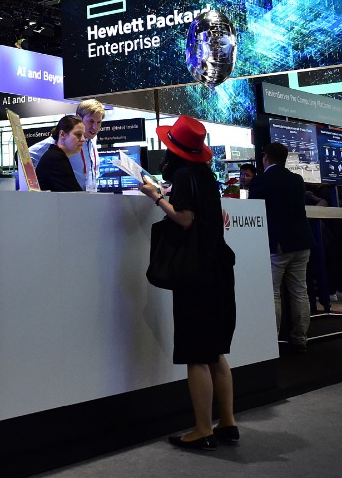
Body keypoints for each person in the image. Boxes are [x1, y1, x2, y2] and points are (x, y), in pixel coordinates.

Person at [138, 115, 237, 451]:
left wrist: (155, 197)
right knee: (215, 351)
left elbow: (184, 218)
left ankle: (202, 430)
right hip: (218, 267)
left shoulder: (182, 176)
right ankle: (227, 422)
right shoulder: (206, 176)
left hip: (195, 274)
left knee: (196, 354)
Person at [249, 142, 314, 352]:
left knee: (273, 292)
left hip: (278, 244)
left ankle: (272, 340)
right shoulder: (297, 180)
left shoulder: (261, 181)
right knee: (300, 291)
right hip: (301, 241)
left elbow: (253, 210)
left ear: (266, 157)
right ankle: (300, 339)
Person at [28, 99, 105, 191]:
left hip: (89, 195)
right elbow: (27, 155)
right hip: (69, 195)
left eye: (98, 122)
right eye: (91, 121)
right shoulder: (60, 140)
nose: (95, 127)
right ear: (79, 118)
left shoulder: (92, 139)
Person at [34, 115, 87, 192]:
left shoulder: (56, 155)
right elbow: (76, 195)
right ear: (62, 134)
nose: (83, 139)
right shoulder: (55, 159)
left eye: (84, 135)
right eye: (78, 134)